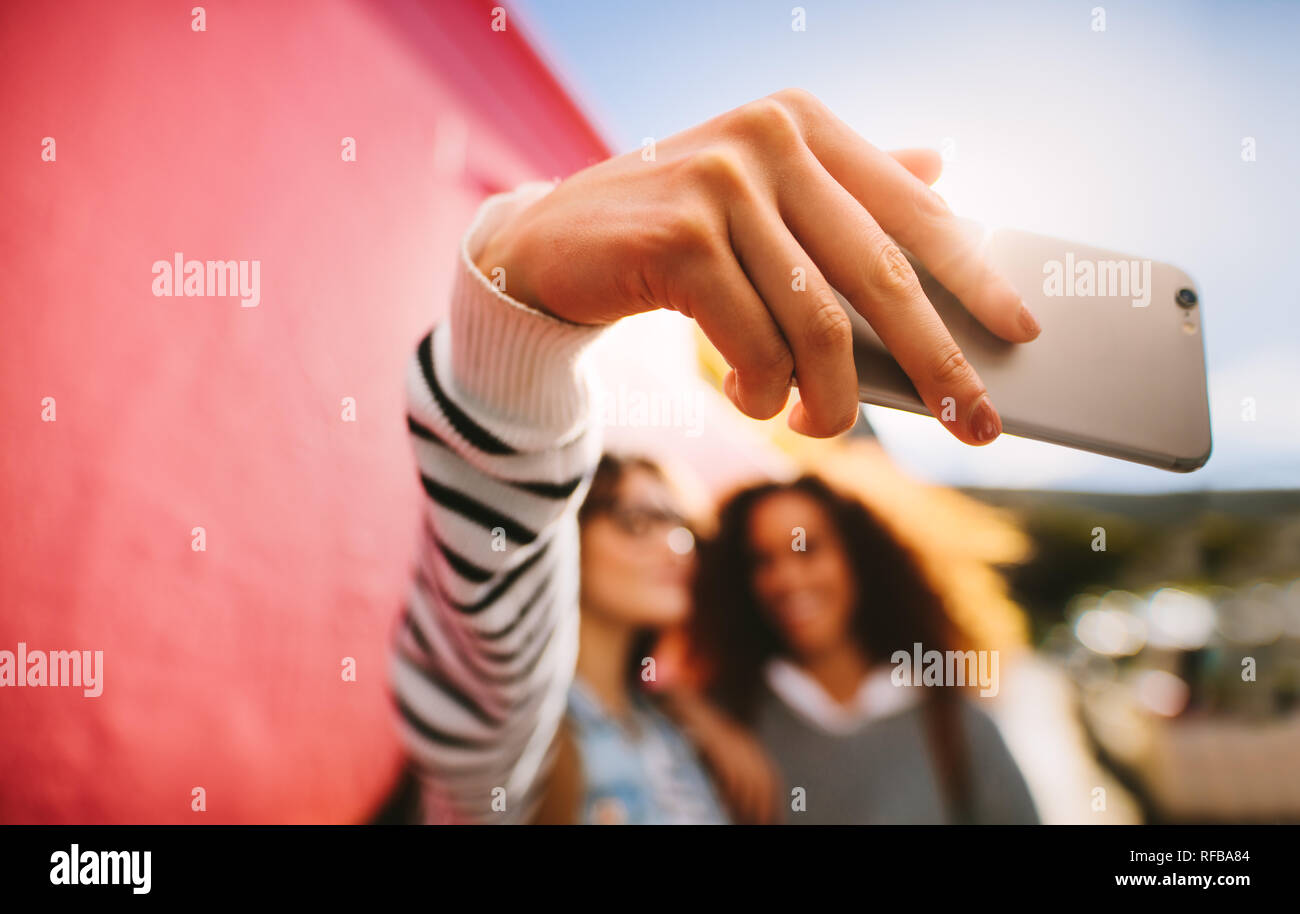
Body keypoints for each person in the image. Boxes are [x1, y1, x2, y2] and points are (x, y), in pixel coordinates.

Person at [387, 88, 1041, 824]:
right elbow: (494, 578)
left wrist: (687, 709)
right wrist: (518, 295)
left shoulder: (688, 736)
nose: (672, 545)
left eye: (682, 528)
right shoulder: (513, 737)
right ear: (563, 531)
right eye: (637, 519)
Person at [688, 474, 1040, 824]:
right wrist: (689, 711)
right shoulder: (725, 720)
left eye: (808, 550)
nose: (787, 580)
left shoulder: (954, 723)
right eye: (762, 561)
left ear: (856, 559)